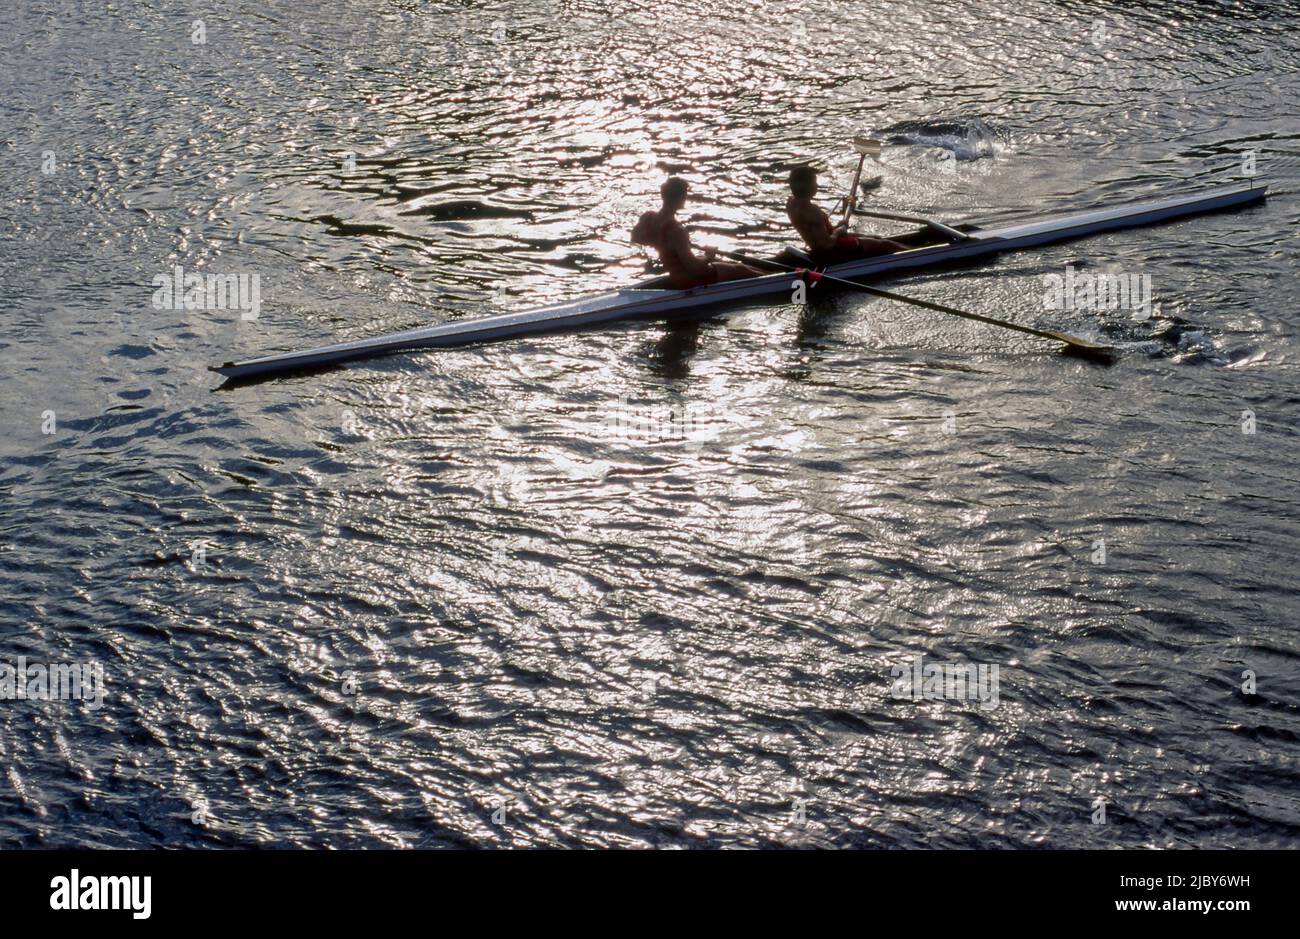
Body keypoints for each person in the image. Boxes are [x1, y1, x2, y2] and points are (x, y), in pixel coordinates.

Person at [632, 177, 764, 289]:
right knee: (741, 269)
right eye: (685, 195)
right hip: (690, 281)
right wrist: (709, 256)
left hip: (675, 275)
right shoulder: (677, 231)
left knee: (737, 266)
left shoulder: (647, 218)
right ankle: (778, 278)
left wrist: (665, 245)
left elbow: (636, 238)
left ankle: (772, 274)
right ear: (680, 198)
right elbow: (695, 269)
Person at [785, 164, 909, 265]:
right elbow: (827, 244)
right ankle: (920, 252)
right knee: (886, 245)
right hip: (834, 253)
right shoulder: (812, 210)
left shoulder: (791, 204)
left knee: (877, 238)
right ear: (808, 186)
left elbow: (817, 231)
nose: (817, 186)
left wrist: (838, 226)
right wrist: (840, 229)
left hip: (818, 249)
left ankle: (912, 249)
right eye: (814, 182)